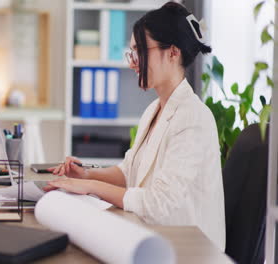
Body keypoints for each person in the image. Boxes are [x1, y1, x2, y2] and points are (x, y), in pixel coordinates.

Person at [44, 2, 225, 251]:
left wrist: (89, 187)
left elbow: (159, 204)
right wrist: (88, 174)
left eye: (140, 52)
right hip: (153, 237)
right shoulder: (154, 110)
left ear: (173, 53)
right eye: (131, 53)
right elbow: (130, 172)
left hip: (187, 249)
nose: (132, 63)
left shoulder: (193, 119)